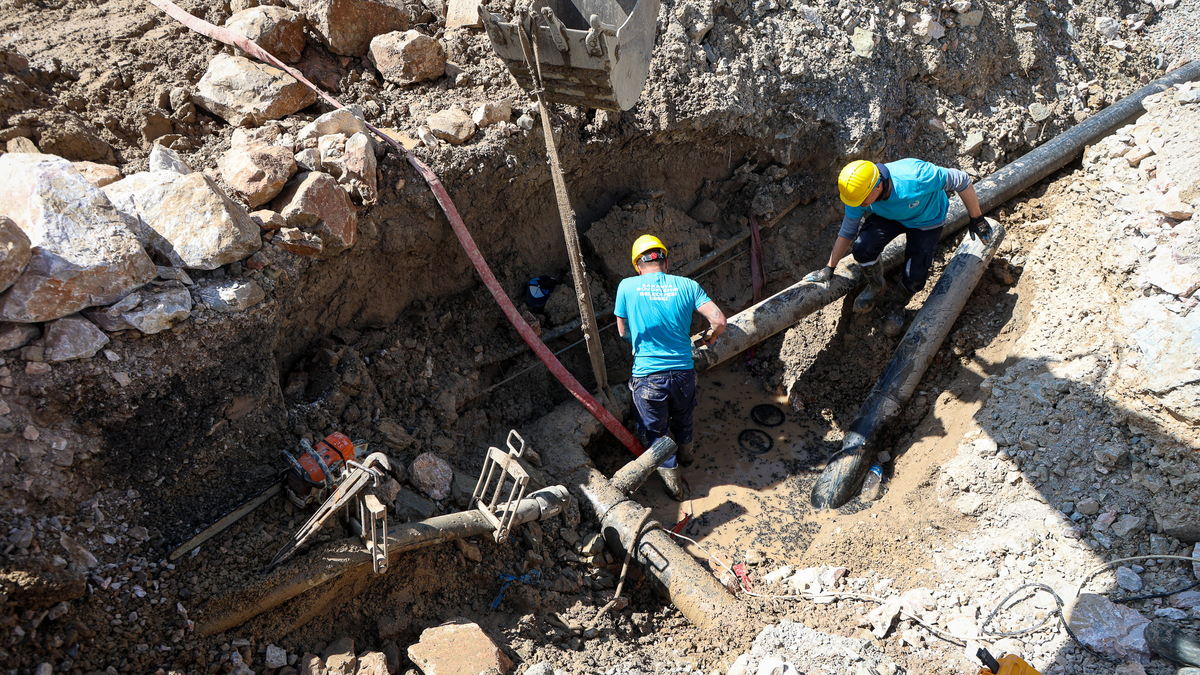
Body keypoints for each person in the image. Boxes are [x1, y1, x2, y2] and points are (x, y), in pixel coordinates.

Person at [803, 159, 992, 336]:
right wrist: (829, 268)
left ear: (878, 185)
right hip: (888, 216)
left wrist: (976, 217)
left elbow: (961, 179)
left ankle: (897, 307)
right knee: (862, 248)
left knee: (915, 276)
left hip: (926, 219)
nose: (859, 205)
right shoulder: (857, 194)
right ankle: (876, 285)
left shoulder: (916, 177)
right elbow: (848, 230)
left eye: (862, 201)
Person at [614, 234, 726, 500]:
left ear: (638, 266)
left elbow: (622, 333)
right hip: (684, 374)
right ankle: (687, 456)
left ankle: (674, 487)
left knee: (656, 433)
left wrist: (639, 341)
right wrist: (711, 337)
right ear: (666, 262)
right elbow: (719, 320)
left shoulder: (627, 286)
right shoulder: (688, 285)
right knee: (684, 416)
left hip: (648, 376)